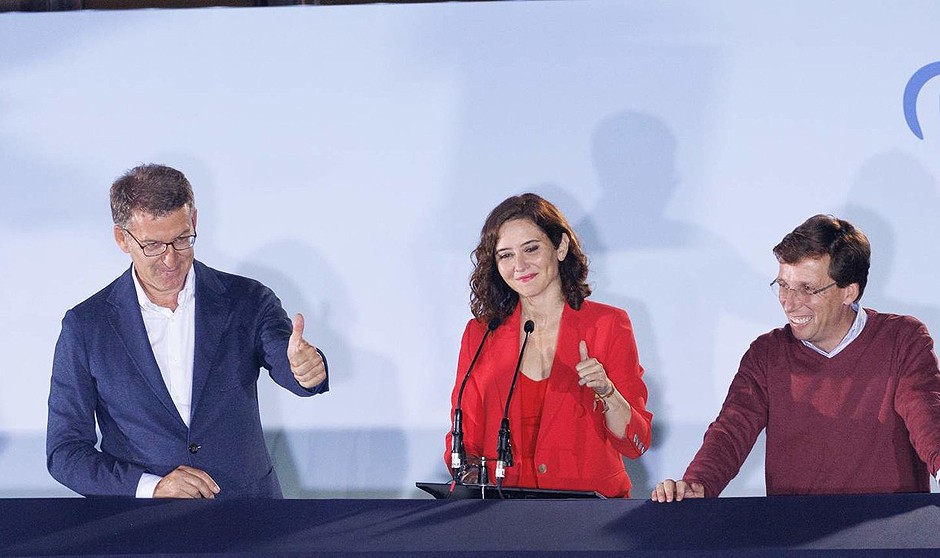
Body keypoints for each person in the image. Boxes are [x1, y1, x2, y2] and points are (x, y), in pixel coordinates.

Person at [46, 164, 329, 499]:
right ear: (122, 238)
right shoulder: (86, 326)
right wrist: (152, 487)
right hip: (143, 532)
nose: (169, 259)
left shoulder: (248, 300)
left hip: (251, 520)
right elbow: (65, 452)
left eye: (181, 239)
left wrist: (306, 370)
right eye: (153, 245)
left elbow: (288, 360)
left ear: (193, 221)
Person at [652, 214, 940, 502]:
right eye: (783, 285)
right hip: (795, 536)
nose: (789, 302)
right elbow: (731, 429)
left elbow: (925, 412)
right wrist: (699, 482)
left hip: (887, 535)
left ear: (848, 292)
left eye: (807, 289)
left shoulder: (902, 338)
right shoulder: (766, 354)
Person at [444, 193, 652, 498]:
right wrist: (467, 473)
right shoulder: (480, 334)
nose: (520, 265)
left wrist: (607, 391)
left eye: (531, 249)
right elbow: (463, 441)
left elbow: (637, 442)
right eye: (506, 255)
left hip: (588, 516)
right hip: (503, 515)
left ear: (561, 247)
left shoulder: (607, 325)